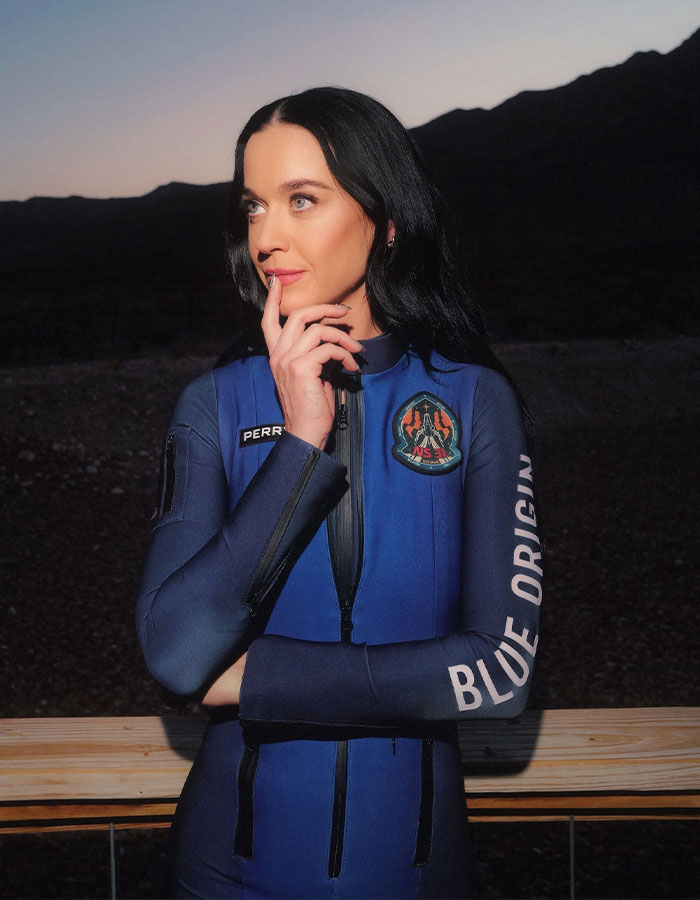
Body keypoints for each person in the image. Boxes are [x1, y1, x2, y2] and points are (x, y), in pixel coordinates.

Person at [136, 86, 543, 899]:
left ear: (385, 222)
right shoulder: (215, 406)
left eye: (303, 200)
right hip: (225, 873)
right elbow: (180, 658)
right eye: (254, 206)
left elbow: (502, 673)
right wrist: (299, 441)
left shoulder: (472, 402)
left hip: (419, 876)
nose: (268, 237)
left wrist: (251, 679)